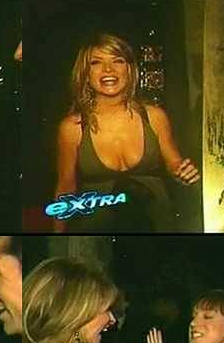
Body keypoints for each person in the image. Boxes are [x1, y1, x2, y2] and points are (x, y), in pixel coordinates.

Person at [54, 33, 199, 233]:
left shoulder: (155, 117)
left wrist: (183, 172)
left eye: (118, 61)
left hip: (157, 224)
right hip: (99, 230)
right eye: (96, 62)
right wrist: (57, 235)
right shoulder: (72, 128)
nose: (108, 69)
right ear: (86, 74)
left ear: (130, 70)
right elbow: (65, 186)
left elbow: (174, 163)